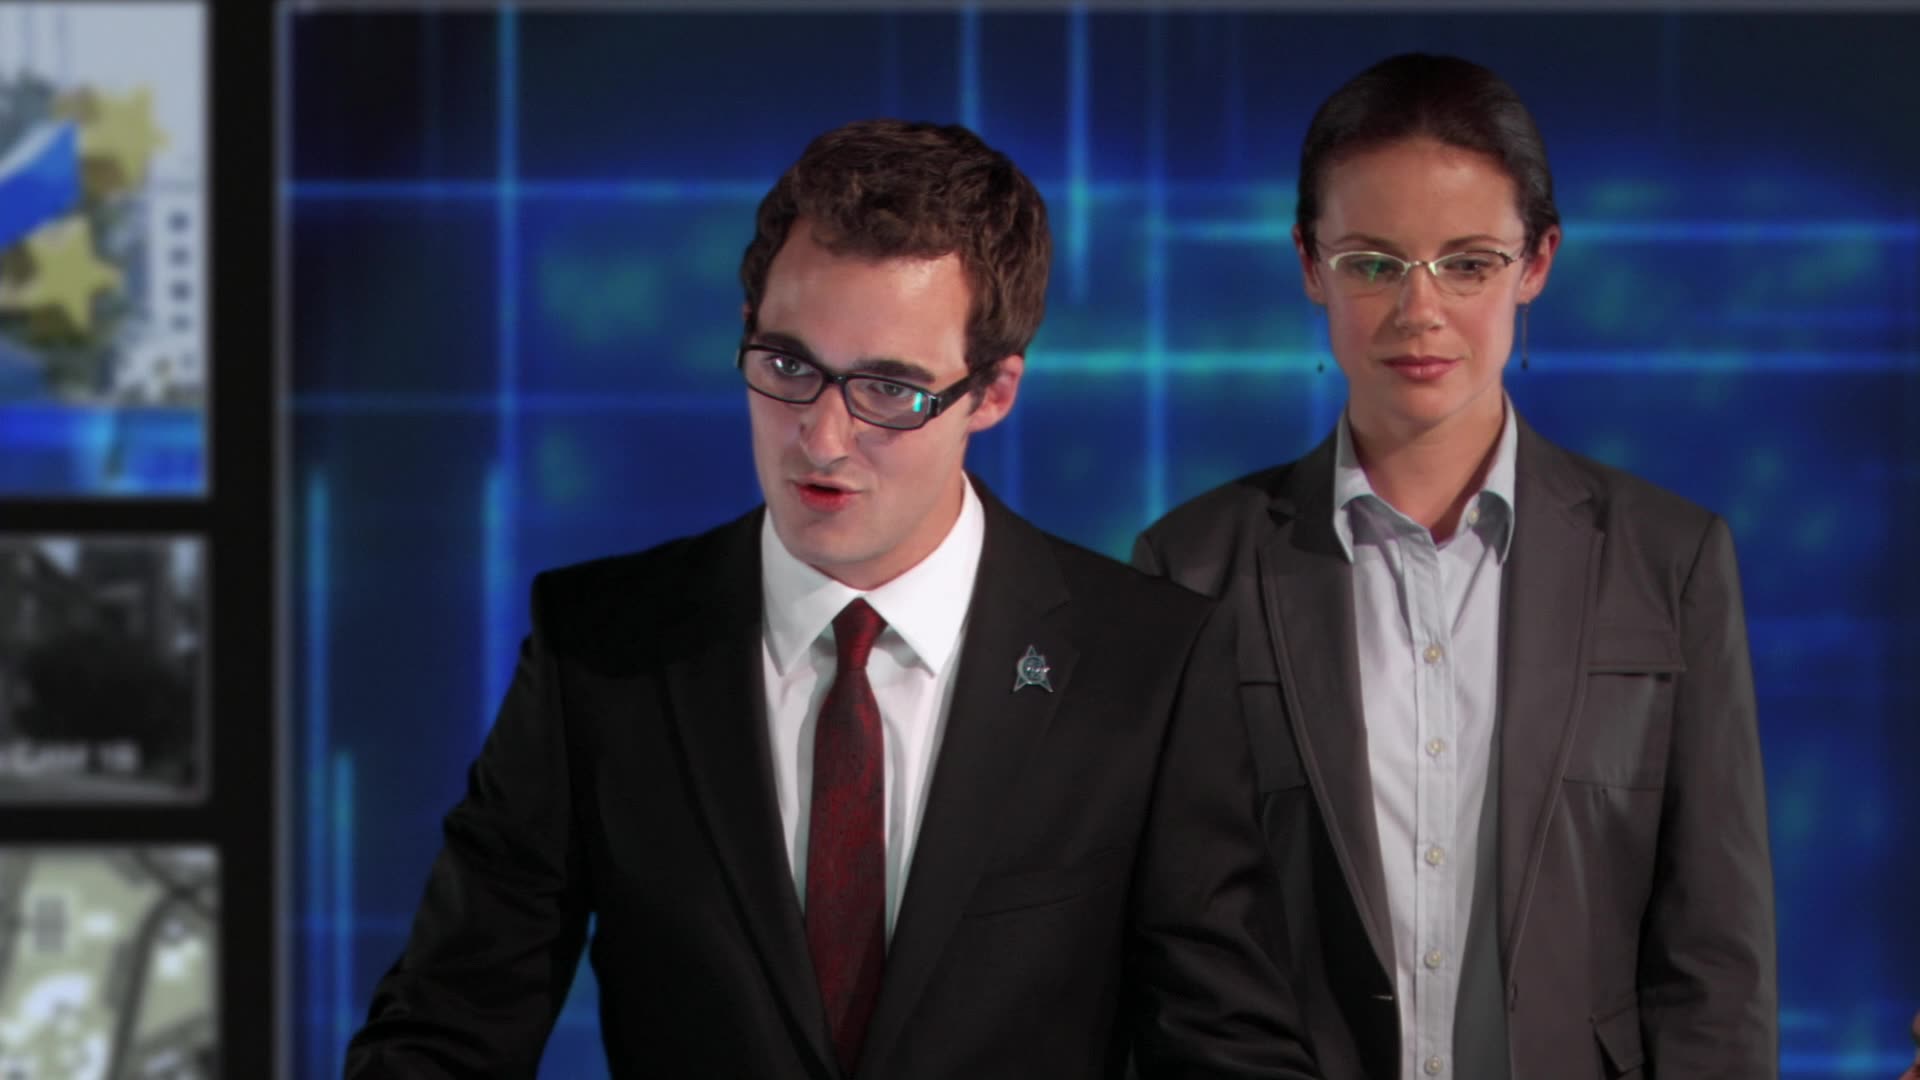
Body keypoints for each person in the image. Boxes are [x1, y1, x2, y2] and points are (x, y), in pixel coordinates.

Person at [344, 119, 1320, 1079]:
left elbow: (1229, 1053)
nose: (821, 438)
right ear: (746, 332)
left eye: (889, 390)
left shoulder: (1147, 665)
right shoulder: (599, 649)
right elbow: (446, 1030)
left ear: (993, 393)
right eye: (788, 367)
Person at [1133, 53, 1776, 1080]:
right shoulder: (1194, 566)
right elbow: (1178, 958)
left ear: (1537, 262)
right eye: (1373, 263)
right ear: (1309, 264)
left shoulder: (1670, 559)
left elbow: (1715, 963)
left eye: (1468, 263)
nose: (1418, 310)